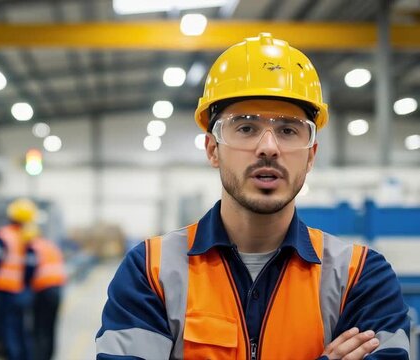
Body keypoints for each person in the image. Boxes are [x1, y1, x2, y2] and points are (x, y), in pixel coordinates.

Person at [96, 33, 410, 359]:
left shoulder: (361, 277)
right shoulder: (150, 271)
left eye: (288, 130)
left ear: (311, 155)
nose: (269, 148)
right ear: (212, 149)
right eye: (245, 127)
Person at [0, 198, 38, 360]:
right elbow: (31, 266)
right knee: (20, 327)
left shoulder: (3, 235)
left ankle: (11, 355)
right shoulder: (26, 238)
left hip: (3, 289)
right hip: (19, 289)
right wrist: (26, 285)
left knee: (6, 327)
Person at [29, 226, 67, 360]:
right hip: (56, 290)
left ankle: (40, 357)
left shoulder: (33, 247)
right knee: (51, 327)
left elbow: (29, 271)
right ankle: (49, 355)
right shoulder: (51, 246)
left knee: (40, 329)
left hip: (43, 290)